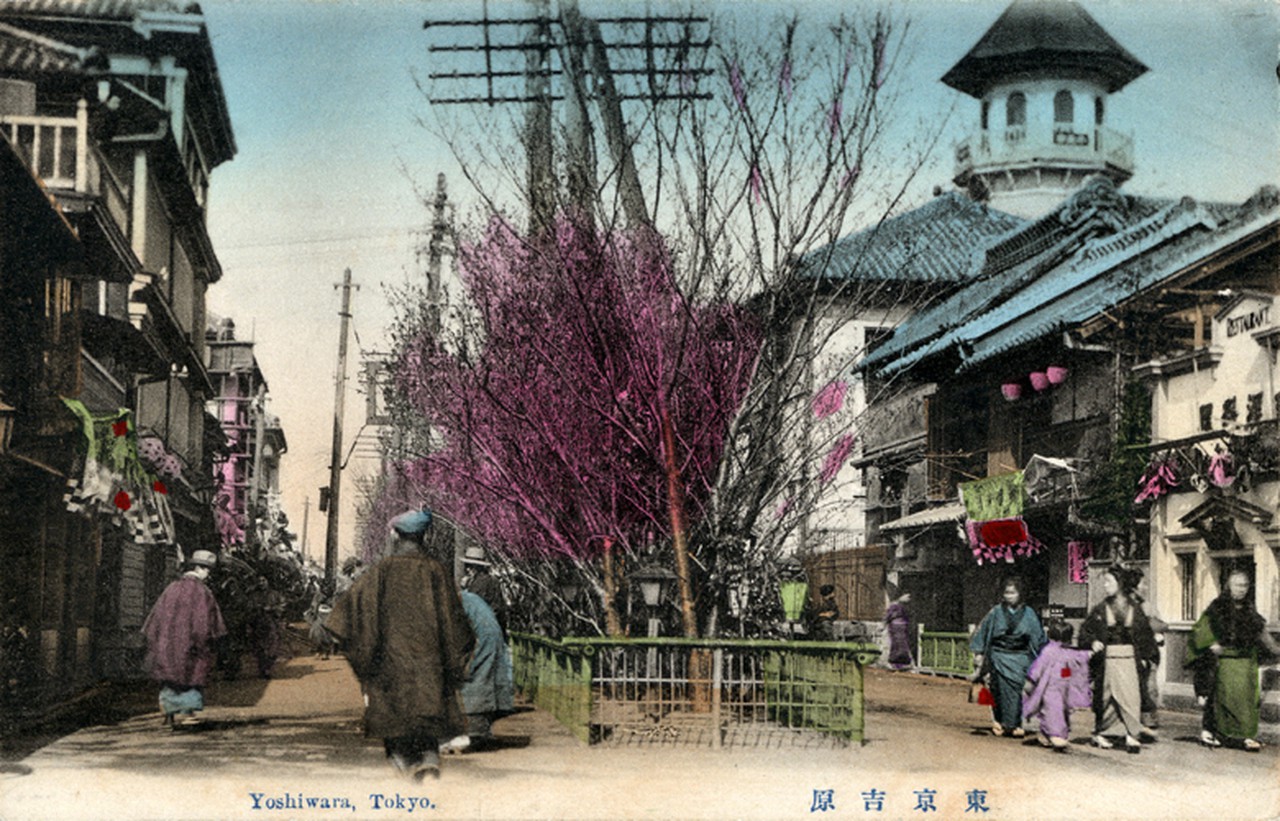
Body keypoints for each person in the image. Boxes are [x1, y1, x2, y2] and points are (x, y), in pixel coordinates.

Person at [325, 509, 475, 781]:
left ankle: (405, 771)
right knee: (427, 726)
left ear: (396, 535)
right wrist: (451, 665)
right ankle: (429, 763)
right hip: (430, 671)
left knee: (395, 729)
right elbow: (457, 628)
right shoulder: (437, 572)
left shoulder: (381, 572)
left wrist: (363, 653)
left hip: (390, 670)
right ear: (422, 536)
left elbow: (347, 618)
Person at [1185, 568, 1280, 751]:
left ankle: (1245, 735)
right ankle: (1225, 733)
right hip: (1226, 661)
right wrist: (1211, 644)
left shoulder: (1249, 608)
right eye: (1237, 585)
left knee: (1247, 701)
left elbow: (1261, 631)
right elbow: (1201, 628)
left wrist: (1275, 649)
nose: (1241, 589)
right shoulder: (1217, 606)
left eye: (1244, 585)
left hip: (1247, 662)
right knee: (1226, 699)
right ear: (1229, 586)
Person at [141, 548, 227, 729]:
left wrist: (156, 640)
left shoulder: (171, 588)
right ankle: (188, 713)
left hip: (167, 643)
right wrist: (206, 640)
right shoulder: (202, 592)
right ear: (199, 568)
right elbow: (204, 622)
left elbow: (155, 617)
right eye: (207, 569)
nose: (208, 574)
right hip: (191, 643)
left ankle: (168, 712)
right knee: (191, 676)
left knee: (169, 676)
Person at [1079, 565, 1159, 753]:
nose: (1105, 585)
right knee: (1106, 698)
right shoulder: (1100, 609)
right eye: (1105, 582)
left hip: (1129, 660)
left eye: (1109, 582)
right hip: (1107, 660)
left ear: (1120, 584)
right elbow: (1086, 631)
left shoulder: (1135, 608)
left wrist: (1147, 657)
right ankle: (1101, 732)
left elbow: (1145, 635)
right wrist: (1092, 642)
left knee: (1131, 697)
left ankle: (1132, 735)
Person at [969, 577, 1046, 738]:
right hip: (999, 656)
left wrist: (1042, 654)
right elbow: (983, 631)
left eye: (1013, 593)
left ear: (1020, 594)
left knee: (1016, 692)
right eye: (1007, 593)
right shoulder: (996, 612)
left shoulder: (1029, 613)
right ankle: (999, 721)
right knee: (998, 690)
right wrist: (979, 653)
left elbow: (1037, 637)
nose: (1009, 596)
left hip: (1020, 657)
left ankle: (1015, 723)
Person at [441, 590, 515, 754]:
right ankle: (481, 733)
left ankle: (471, 736)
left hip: (480, 642)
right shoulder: (469, 598)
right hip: (491, 641)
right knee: (486, 682)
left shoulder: (453, 601)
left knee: (473, 683)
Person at [1021, 618, 1091, 751]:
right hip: (1053, 686)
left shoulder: (1051, 650)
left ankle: (1055, 734)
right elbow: (1079, 658)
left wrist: (1032, 678)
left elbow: (1038, 667)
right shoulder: (1059, 651)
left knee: (1059, 710)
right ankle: (1056, 735)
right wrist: (1089, 654)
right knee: (1054, 710)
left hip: (1059, 685)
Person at [462, 547, 508, 639]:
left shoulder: (481, 583)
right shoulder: (491, 580)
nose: (467, 569)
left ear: (477, 567)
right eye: (466, 565)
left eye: (470, 566)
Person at [884, 592, 913, 669]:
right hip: (895, 627)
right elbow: (888, 616)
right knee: (896, 644)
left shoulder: (904, 607)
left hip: (903, 627)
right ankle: (893, 662)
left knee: (903, 645)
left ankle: (903, 663)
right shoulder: (894, 606)